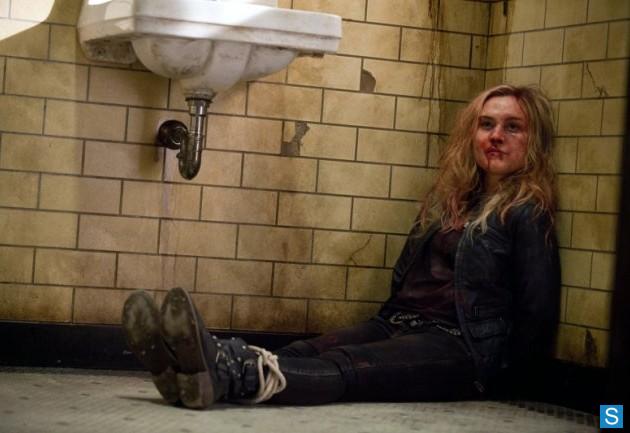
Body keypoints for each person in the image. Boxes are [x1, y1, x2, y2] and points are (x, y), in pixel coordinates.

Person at [122, 84, 561, 408]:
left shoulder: (526, 211)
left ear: (533, 140)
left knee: (347, 366)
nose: (496, 135)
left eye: (513, 127)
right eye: (487, 124)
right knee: (305, 351)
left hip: (460, 347)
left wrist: (503, 380)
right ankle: (194, 369)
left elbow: (537, 309)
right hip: (399, 324)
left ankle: (221, 367)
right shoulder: (451, 199)